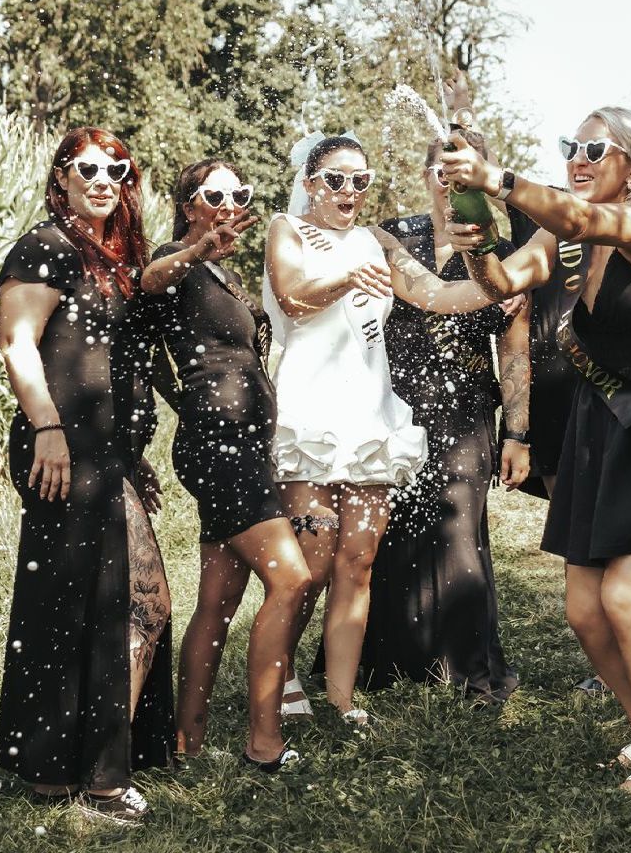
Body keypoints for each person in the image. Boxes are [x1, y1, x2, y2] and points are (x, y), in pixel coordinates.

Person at [443, 108, 631, 801]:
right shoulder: (563, 233)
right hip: (604, 429)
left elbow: (582, 219)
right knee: (585, 611)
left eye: (593, 149)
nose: (576, 159)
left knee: (628, 598)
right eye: (569, 146)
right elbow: (502, 284)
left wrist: (492, 178)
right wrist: (477, 247)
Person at [263, 132, 496, 725]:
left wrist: (500, 287)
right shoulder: (287, 230)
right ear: (310, 182)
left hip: (369, 419)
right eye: (335, 179)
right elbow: (292, 298)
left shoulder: (378, 241)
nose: (349, 190)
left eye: (360, 180)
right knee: (311, 563)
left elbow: (437, 294)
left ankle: (341, 701)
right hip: (311, 420)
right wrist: (348, 277)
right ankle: (281, 675)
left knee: (358, 561)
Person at [0, 127, 174, 825]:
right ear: (62, 176)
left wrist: (130, 454)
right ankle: (91, 777)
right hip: (60, 448)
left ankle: (77, 762)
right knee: (87, 606)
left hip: (102, 453)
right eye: (89, 168)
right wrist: (48, 429)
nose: (104, 180)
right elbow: (18, 343)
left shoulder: (107, 256)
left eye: (117, 170)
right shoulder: (44, 246)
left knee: (119, 603)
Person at [141, 159, 311, 771]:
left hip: (240, 446)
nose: (230, 204)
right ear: (189, 204)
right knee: (292, 580)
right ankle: (264, 742)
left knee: (218, 600)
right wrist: (197, 249)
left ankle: (185, 742)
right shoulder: (178, 259)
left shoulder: (223, 273)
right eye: (215, 195)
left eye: (239, 194)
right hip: (221, 447)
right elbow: (148, 282)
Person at [358, 117, 531, 702]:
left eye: (462, 170)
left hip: (466, 407)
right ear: (426, 172)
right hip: (393, 404)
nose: (448, 179)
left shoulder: (502, 253)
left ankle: (467, 671)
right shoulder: (391, 236)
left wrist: (518, 432)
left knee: (458, 531)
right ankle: (390, 667)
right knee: (392, 531)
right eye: (441, 166)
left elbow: (514, 350)